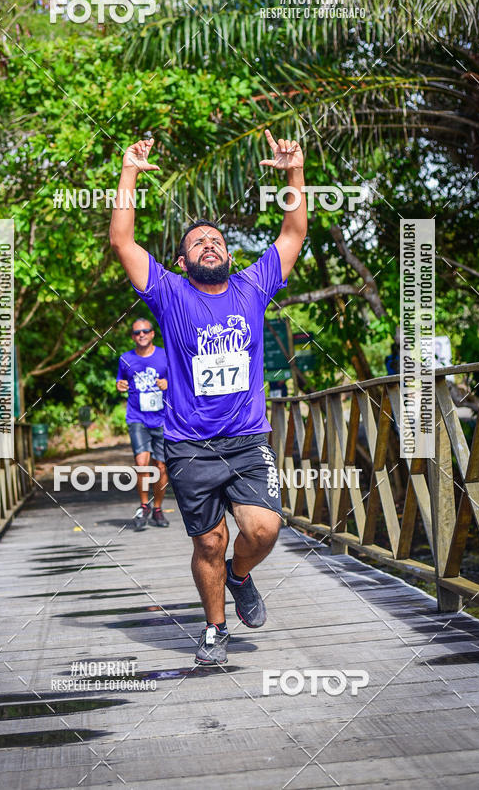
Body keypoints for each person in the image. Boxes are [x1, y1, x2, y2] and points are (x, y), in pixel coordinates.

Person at [109, 129, 307, 664]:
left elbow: (292, 233)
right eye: (197, 242)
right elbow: (123, 242)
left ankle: (242, 577)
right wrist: (129, 170)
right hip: (190, 444)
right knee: (209, 544)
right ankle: (215, 629)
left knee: (263, 529)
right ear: (181, 260)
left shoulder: (252, 286)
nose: (210, 244)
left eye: (215, 239)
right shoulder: (170, 294)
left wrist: (293, 172)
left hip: (245, 438)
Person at [116, 318, 169, 530]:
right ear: (132, 336)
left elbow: (181, 380)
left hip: (162, 418)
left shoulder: (165, 355)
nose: (142, 335)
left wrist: (169, 383)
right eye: (137, 332)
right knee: (141, 463)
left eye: (145, 331)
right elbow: (121, 381)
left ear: (152, 334)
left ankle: (157, 508)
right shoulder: (125, 359)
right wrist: (119, 385)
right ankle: (143, 505)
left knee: (161, 466)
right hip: (137, 417)